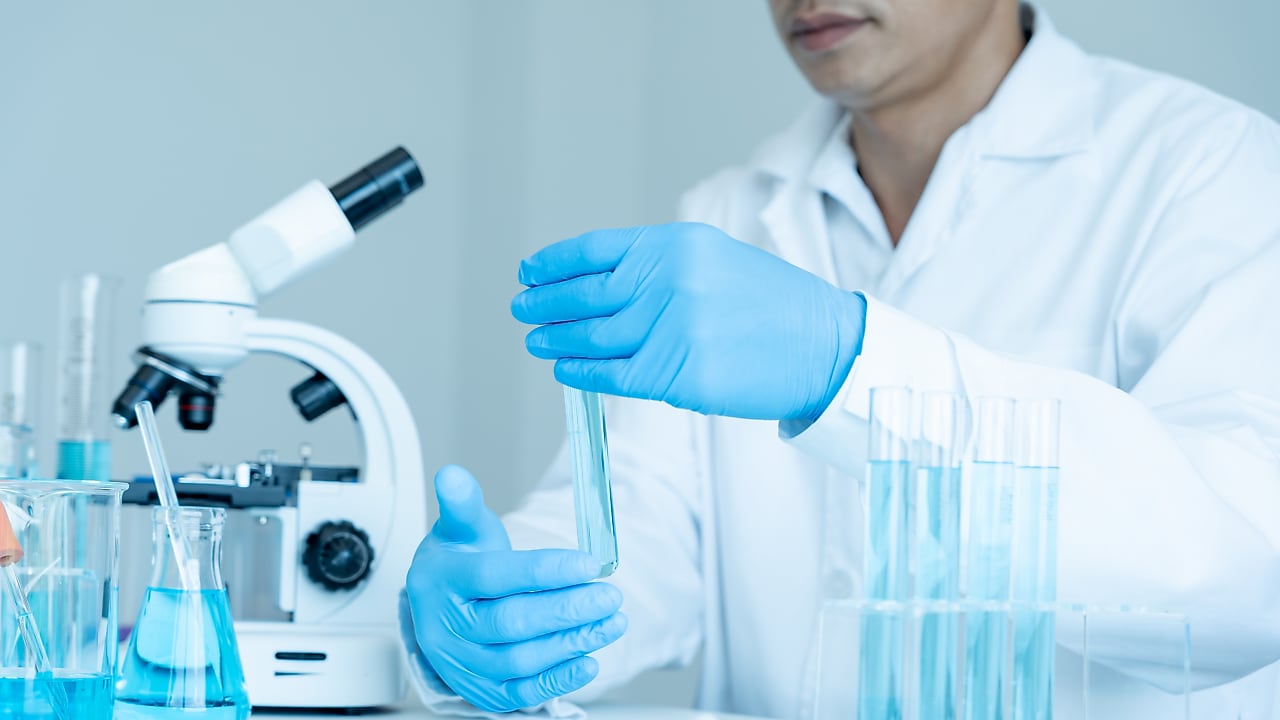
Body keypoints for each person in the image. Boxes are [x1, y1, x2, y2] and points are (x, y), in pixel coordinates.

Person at [402, 0, 1280, 717]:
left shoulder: (1208, 171)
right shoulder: (732, 213)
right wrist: (508, 601)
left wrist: (852, 366)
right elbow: (643, 530)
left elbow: (1244, 575)